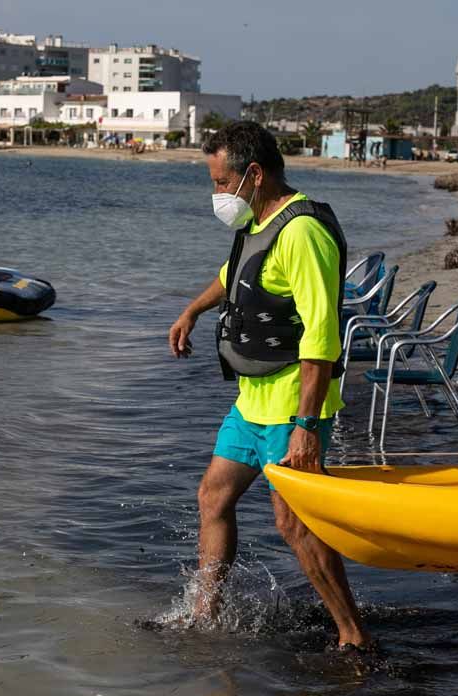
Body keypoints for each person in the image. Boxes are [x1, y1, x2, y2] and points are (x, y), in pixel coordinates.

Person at [168, 121, 372, 651]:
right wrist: (193, 309)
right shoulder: (261, 222)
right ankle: (204, 618)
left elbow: (321, 334)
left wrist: (306, 425)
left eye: (220, 181)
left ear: (253, 174)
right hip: (251, 400)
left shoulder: (303, 232)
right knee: (213, 496)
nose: (216, 193)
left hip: (290, 405)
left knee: (294, 524)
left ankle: (353, 636)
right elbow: (233, 273)